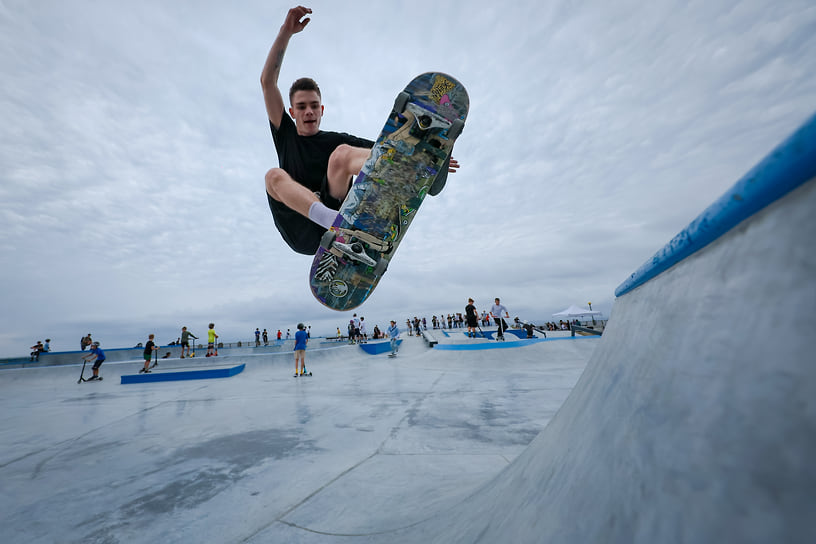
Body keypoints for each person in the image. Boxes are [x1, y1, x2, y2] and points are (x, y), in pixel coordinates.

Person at [260, 6, 459, 255]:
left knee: (342, 154)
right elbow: (268, 83)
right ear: (292, 112)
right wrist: (285, 33)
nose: (308, 111)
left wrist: (429, 156)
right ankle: (332, 219)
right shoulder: (286, 136)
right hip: (299, 227)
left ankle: (419, 169)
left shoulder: (335, 140)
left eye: (313, 106)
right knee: (272, 176)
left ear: (322, 110)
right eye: (301, 107)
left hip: (339, 217)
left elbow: (383, 149)